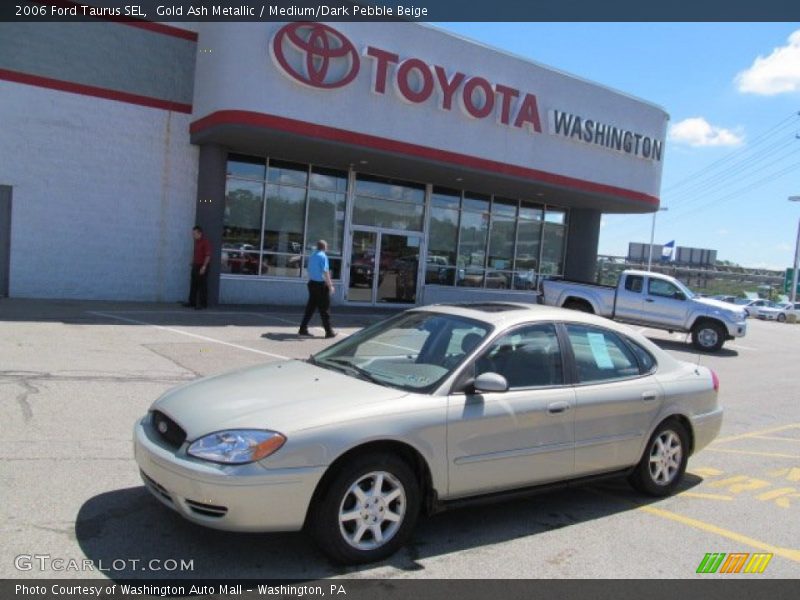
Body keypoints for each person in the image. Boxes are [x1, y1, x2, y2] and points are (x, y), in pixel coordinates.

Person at [299, 240, 336, 338]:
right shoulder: (323, 256)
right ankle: (329, 332)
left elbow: (309, 269)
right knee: (324, 308)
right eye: (327, 246)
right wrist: (330, 285)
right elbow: (326, 272)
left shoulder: (312, 255)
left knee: (310, 307)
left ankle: (303, 328)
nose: (327, 248)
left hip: (312, 284)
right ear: (324, 247)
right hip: (320, 285)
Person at [184, 225, 211, 310]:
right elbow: (196, 254)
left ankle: (202, 304)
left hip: (202, 266)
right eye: (193, 233)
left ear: (200, 233)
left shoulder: (205, 242)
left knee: (202, 286)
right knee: (194, 284)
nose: (193, 235)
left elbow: (208, 256)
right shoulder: (197, 242)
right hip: (196, 265)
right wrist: (193, 262)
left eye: (195, 233)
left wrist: (204, 267)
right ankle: (192, 302)